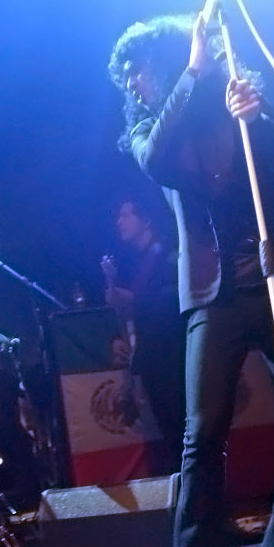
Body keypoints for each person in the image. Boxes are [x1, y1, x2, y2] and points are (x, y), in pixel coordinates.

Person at [108, 12, 274, 547]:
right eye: (127, 76)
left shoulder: (233, 97)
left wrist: (255, 117)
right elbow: (155, 160)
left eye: (139, 70)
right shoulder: (150, 130)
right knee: (204, 432)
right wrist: (192, 74)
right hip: (213, 296)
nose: (132, 83)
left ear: (161, 61)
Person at [101, 197, 185, 469]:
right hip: (150, 357)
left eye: (127, 215)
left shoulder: (169, 252)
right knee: (165, 427)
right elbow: (124, 308)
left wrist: (134, 299)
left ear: (146, 220)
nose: (119, 222)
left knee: (181, 423)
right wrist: (116, 336)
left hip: (173, 354)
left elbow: (172, 298)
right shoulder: (130, 261)